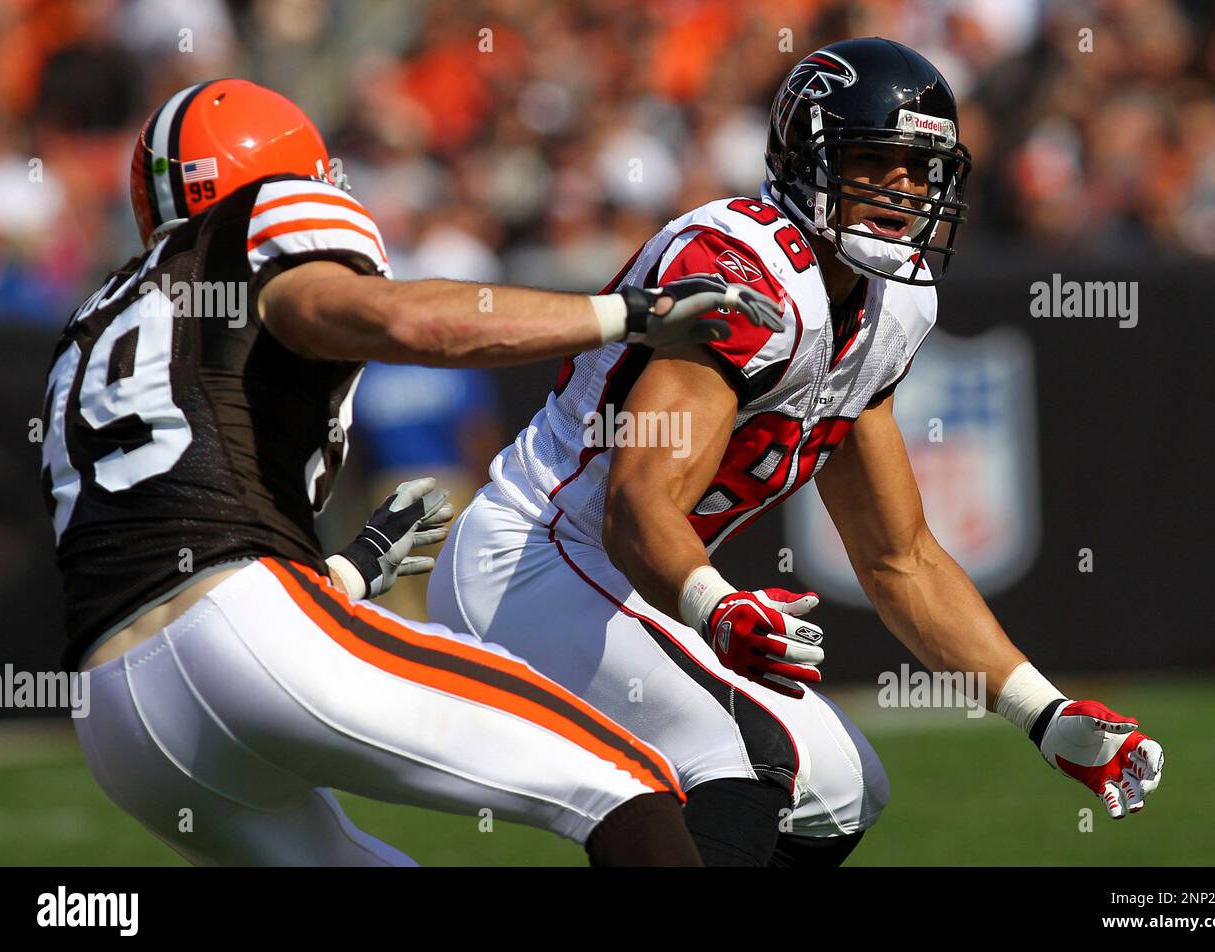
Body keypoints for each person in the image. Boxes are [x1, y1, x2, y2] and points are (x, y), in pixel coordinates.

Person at [428, 38, 1165, 866]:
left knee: (844, 791)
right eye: (876, 161)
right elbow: (637, 503)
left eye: (921, 171)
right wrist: (716, 605)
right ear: (805, 157)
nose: (903, 191)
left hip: (628, 581)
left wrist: (1043, 713)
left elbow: (899, 559)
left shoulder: (891, 306)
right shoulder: (743, 273)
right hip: (534, 560)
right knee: (751, 756)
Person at [40, 78, 779, 866]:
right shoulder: (269, 215)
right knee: (627, 780)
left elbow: (157, 562)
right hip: (245, 630)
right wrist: (634, 313)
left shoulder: (92, 324)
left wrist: (347, 573)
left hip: (119, 716)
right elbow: (391, 318)